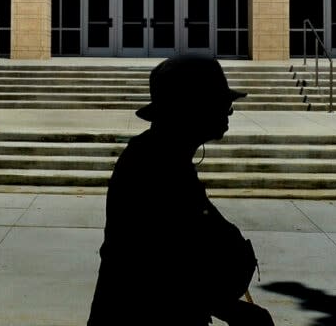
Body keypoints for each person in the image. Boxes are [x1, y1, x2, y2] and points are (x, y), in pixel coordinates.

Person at [88, 55, 275, 326]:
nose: (229, 111)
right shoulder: (153, 166)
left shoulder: (169, 158)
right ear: (192, 108)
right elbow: (157, 267)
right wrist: (227, 307)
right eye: (221, 103)